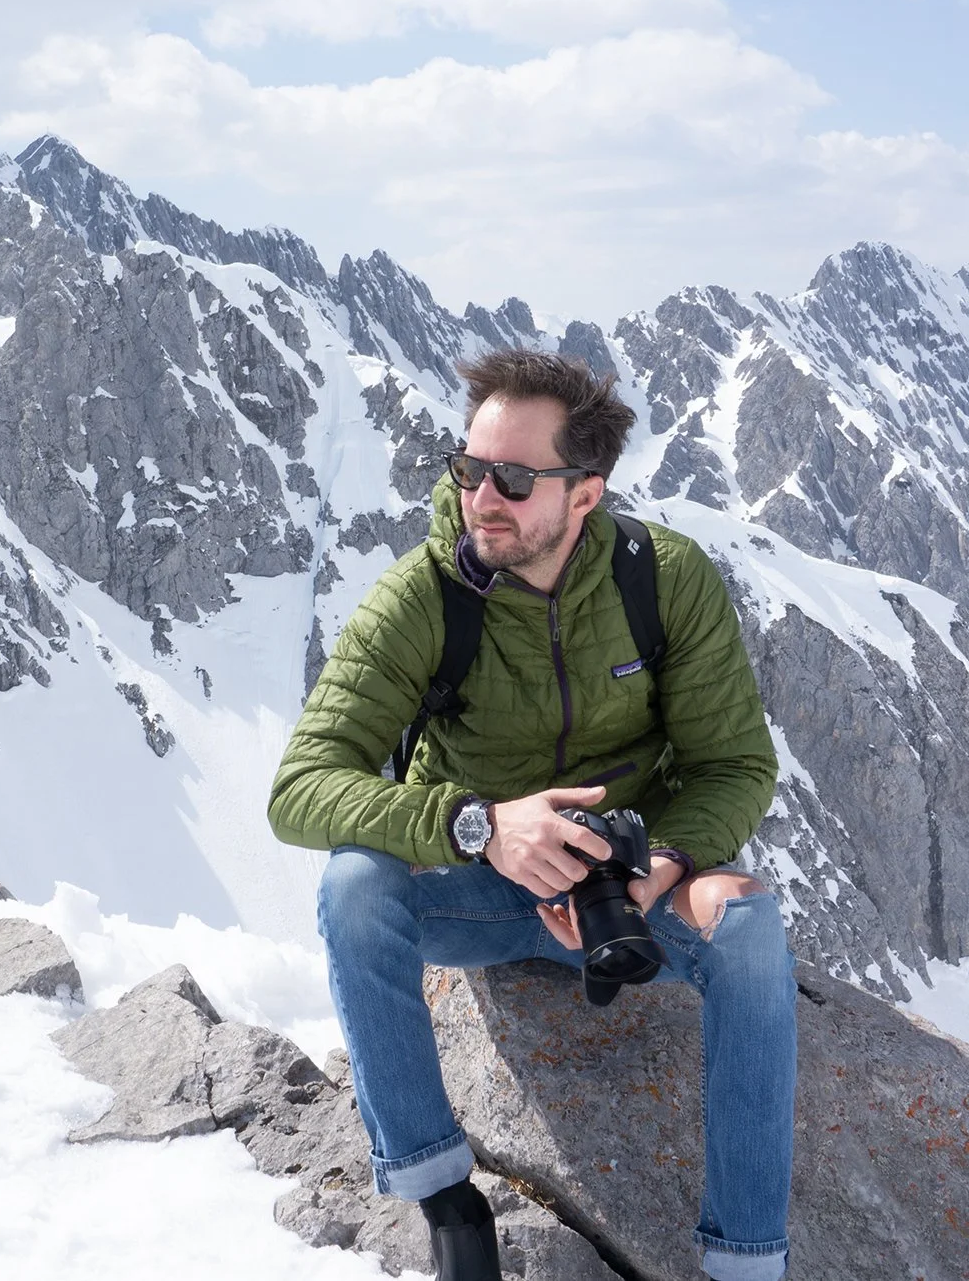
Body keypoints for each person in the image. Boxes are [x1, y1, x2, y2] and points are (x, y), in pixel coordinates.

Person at [268, 349, 795, 1281]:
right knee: (354, 888)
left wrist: (659, 864)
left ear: (585, 494)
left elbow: (735, 763)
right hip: (479, 886)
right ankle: (443, 1195)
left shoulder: (665, 581)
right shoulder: (424, 597)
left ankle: (743, 1263)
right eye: (468, 469)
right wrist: (481, 824)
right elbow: (302, 785)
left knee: (749, 923)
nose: (481, 497)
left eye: (512, 477)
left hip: (622, 894)